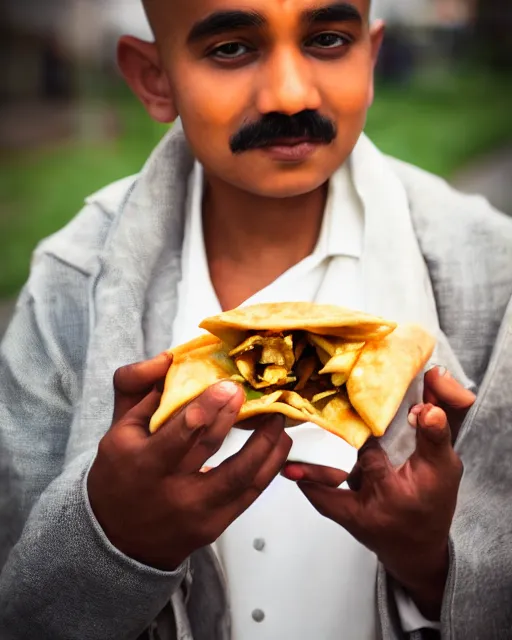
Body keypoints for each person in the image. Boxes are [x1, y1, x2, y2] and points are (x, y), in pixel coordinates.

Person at [1, 1, 511, 639]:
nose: (290, 94)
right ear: (154, 78)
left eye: (327, 39)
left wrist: (432, 564)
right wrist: (113, 537)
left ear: (371, 57)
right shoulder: (67, 288)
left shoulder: (493, 276)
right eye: (231, 49)